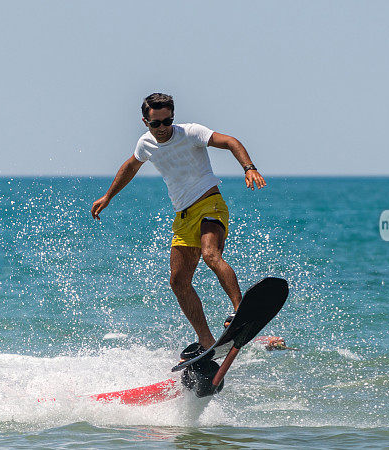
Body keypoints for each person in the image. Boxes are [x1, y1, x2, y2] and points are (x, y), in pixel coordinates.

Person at [91, 93, 266, 352]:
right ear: (145, 121)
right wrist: (108, 196)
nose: (162, 128)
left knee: (210, 254)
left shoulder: (191, 132)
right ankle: (206, 340)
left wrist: (248, 167)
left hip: (210, 203)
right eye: (155, 124)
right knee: (178, 282)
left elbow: (229, 141)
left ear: (173, 117)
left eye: (166, 121)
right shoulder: (145, 144)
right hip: (183, 216)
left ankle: (240, 311)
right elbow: (130, 166)